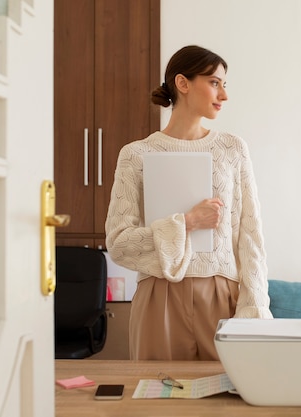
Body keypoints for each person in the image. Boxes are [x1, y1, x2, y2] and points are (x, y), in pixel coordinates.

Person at [105, 45, 273, 361]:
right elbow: (118, 244)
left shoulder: (232, 149)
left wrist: (255, 306)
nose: (223, 95)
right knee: (157, 399)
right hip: (159, 296)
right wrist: (188, 223)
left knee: (227, 399)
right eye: (214, 82)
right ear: (182, 83)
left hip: (222, 295)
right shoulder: (136, 154)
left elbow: (250, 237)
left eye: (225, 85)